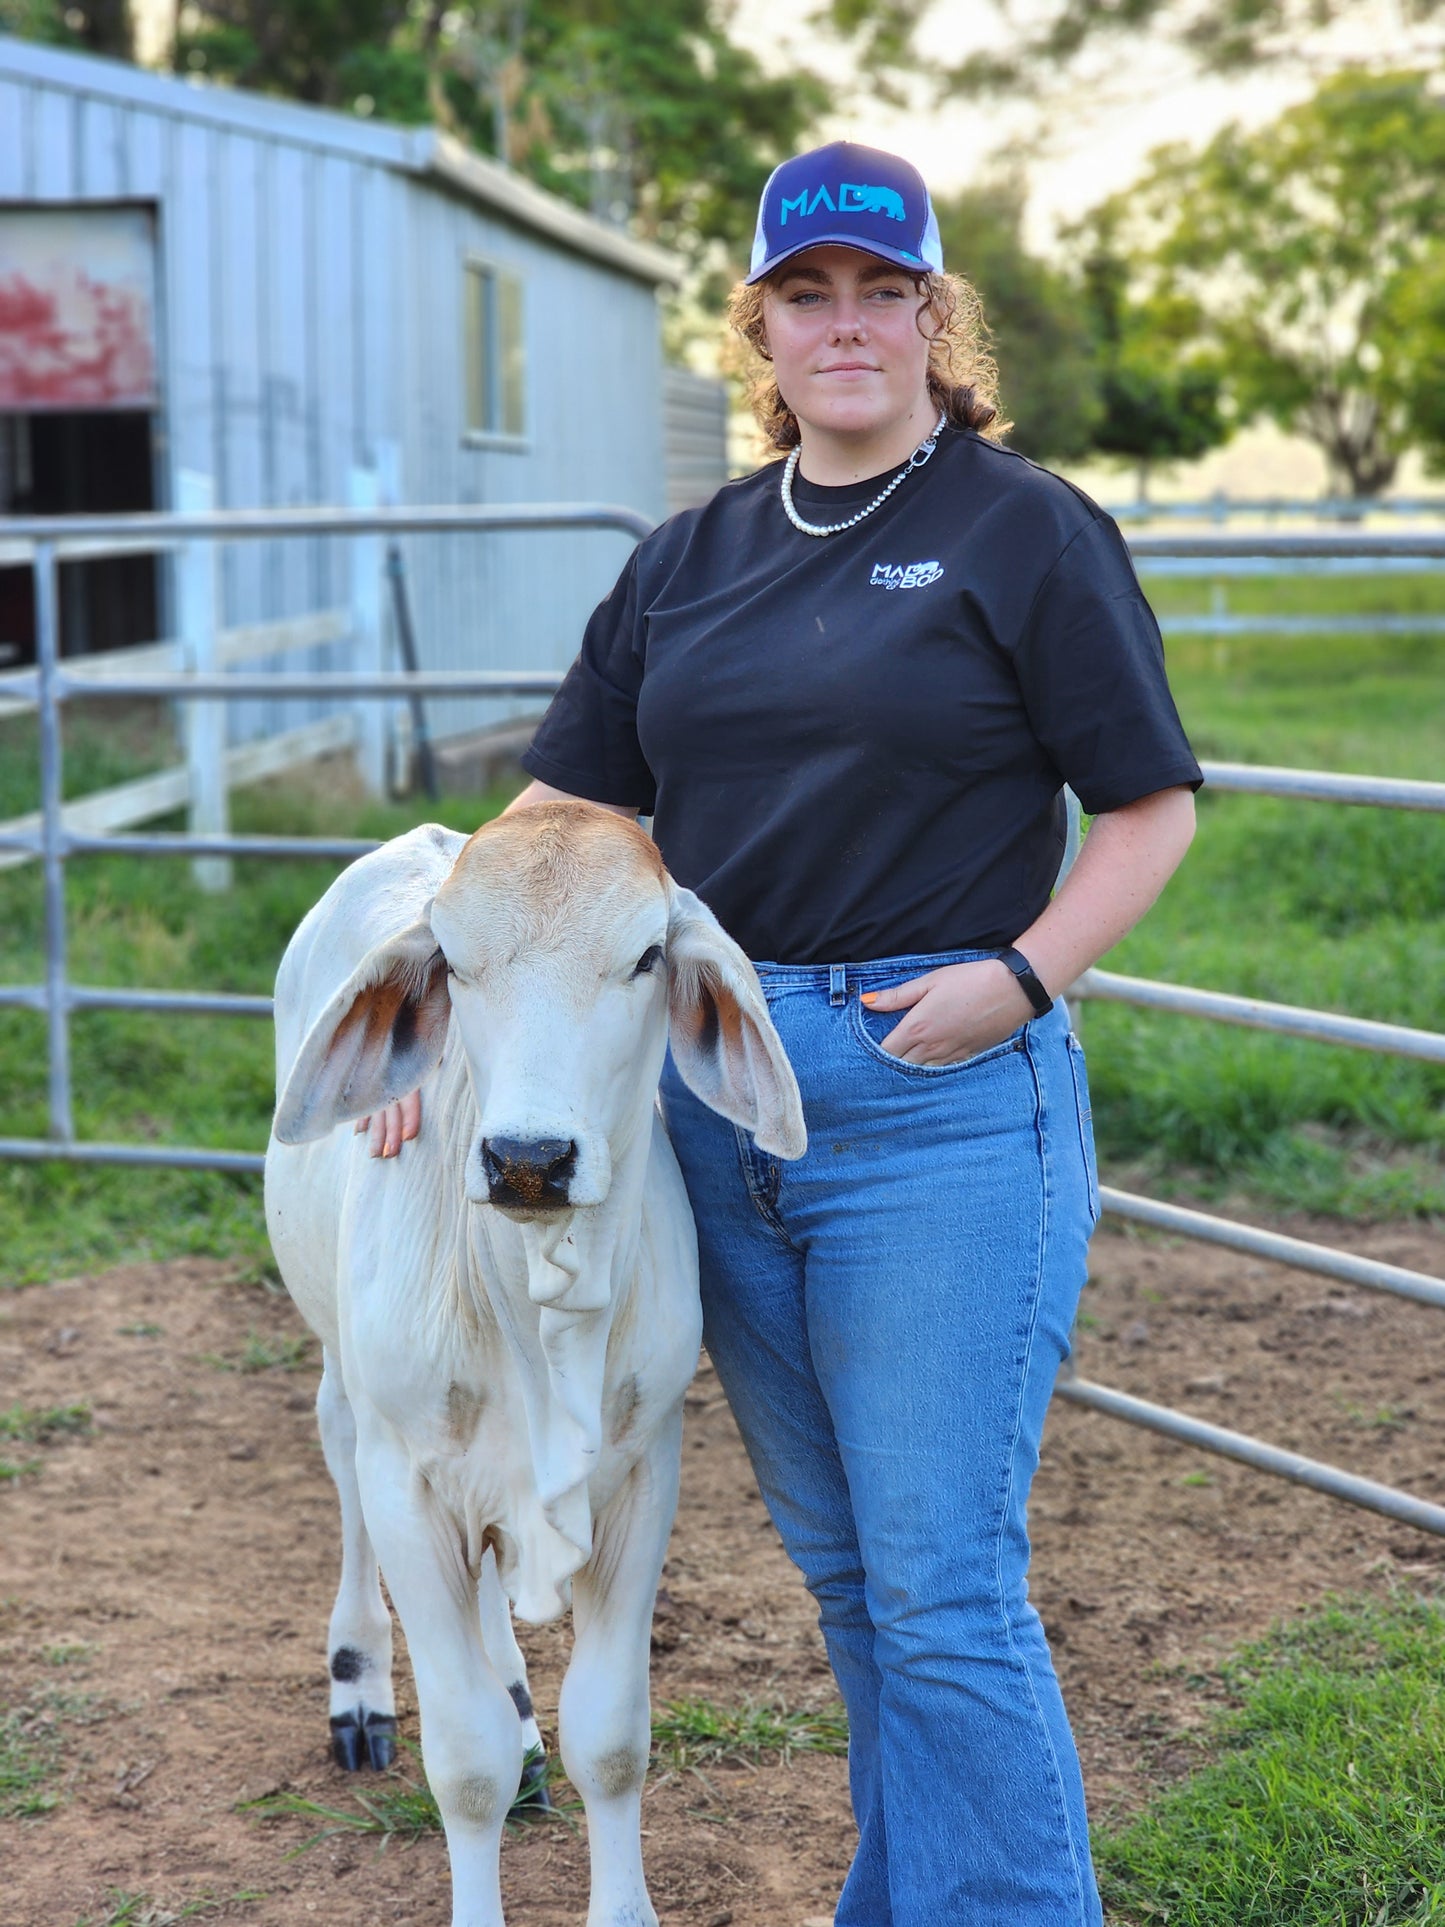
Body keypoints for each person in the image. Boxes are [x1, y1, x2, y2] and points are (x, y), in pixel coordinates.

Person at [366, 141, 1202, 1925]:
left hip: (937, 1094)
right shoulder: (690, 559)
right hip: (704, 1101)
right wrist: (427, 1028)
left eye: (878, 293)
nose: (844, 327)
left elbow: (1146, 814)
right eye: (804, 296)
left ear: (928, 314)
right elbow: (546, 832)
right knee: (843, 1575)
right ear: (758, 322)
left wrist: (1024, 979)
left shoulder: (1020, 529)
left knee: (941, 1584)